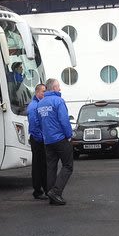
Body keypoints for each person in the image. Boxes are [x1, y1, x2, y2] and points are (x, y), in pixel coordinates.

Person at [37, 78, 73, 206]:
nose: (60, 89)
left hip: (48, 140)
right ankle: (56, 192)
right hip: (60, 139)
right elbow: (64, 120)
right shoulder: (58, 101)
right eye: (58, 86)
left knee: (51, 167)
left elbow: (40, 122)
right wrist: (69, 135)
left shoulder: (40, 103)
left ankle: (51, 193)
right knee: (68, 165)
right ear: (53, 88)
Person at [27, 83, 48, 199]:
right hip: (37, 139)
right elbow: (34, 125)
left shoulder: (37, 104)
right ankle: (38, 190)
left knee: (40, 165)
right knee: (39, 165)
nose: (44, 94)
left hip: (38, 138)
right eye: (43, 92)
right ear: (37, 92)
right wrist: (41, 138)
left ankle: (41, 189)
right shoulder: (34, 106)